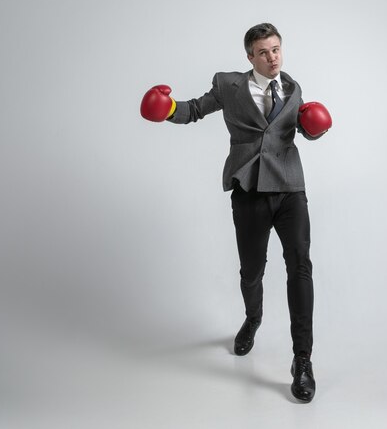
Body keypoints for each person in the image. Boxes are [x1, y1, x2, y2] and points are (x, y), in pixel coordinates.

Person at [141, 23, 332, 403]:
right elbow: (195, 109)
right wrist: (168, 110)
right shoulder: (229, 85)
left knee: (300, 266)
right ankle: (253, 317)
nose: (272, 57)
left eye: (276, 49)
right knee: (252, 271)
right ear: (250, 57)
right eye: (263, 52)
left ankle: (303, 359)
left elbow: (302, 131)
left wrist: (315, 129)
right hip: (249, 189)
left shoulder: (294, 90)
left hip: (290, 188)